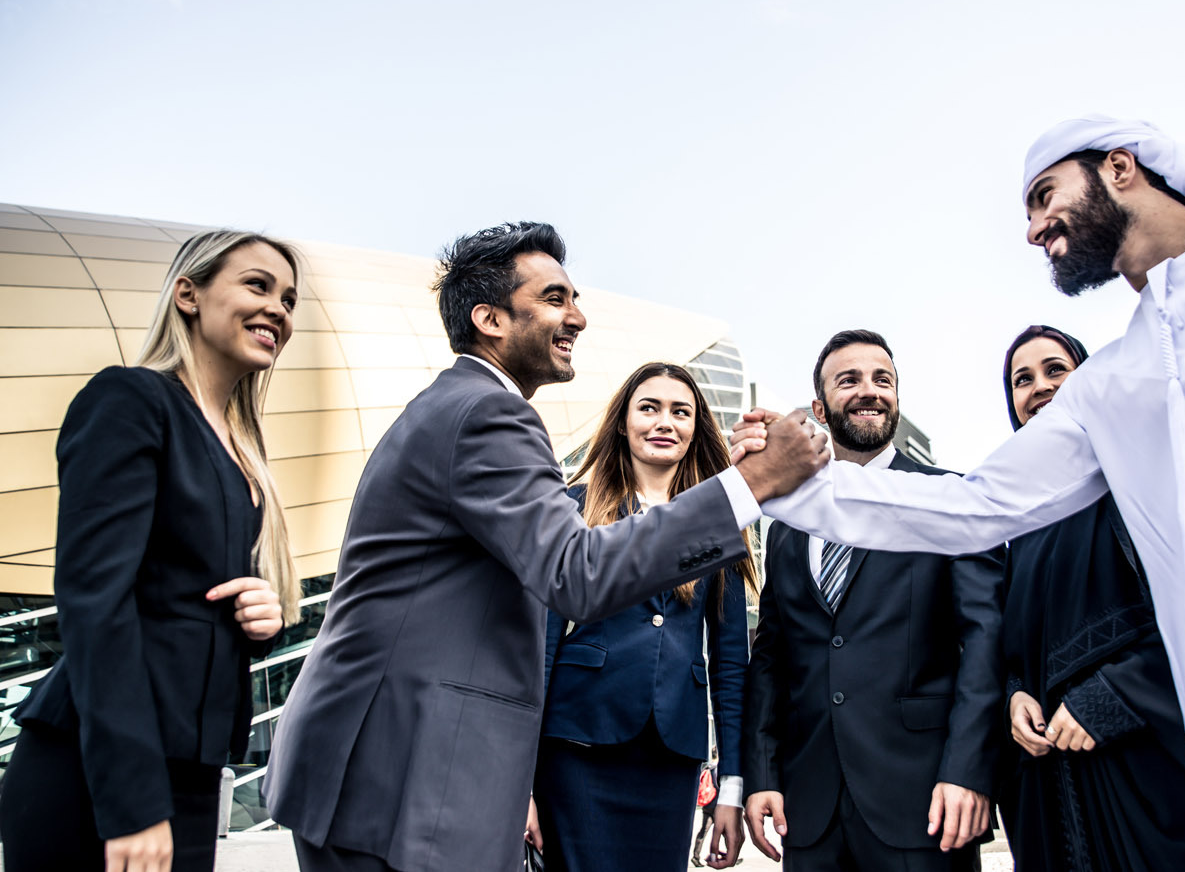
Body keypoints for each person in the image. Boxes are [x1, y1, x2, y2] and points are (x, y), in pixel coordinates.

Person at [734, 116, 1185, 870]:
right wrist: (788, 487)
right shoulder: (1112, 385)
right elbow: (977, 506)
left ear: (1120, 166)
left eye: (1045, 196)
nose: (1035, 229)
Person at [263, 222, 826, 872]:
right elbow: (576, 575)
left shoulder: (461, 408)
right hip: (405, 776)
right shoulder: (488, 416)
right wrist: (749, 483)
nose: (579, 317)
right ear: (490, 318)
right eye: (556, 298)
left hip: (407, 771)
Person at [0, 230, 301, 871]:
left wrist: (260, 622)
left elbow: (180, 600)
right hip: (99, 771)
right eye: (257, 285)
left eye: (289, 298)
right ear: (188, 294)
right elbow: (96, 604)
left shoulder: (242, 450)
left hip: (188, 772)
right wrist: (132, 802)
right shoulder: (131, 400)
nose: (279, 308)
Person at [742, 330, 1004, 872]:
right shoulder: (789, 524)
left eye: (882, 379)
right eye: (850, 380)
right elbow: (771, 658)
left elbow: (985, 639)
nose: (870, 391)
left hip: (927, 801)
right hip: (810, 812)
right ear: (819, 407)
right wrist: (762, 776)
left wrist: (969, 770)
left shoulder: (948, 496)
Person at [996, 324, 1185, 871]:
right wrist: (1016, 693)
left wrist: (1111, 696)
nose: (1039, 387)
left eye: (1055, 370)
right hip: (1054, 788)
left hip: (1143, 772)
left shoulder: (1140, 479)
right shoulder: (1020, 519)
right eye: (1022, 380)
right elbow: (1014, 640)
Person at [533, 362, 757, 871]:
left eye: (681, 412)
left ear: (696, 429)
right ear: (621, 422)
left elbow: (730, 667)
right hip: (577, 746)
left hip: (671, 755)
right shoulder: (575, 507)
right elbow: (540, 643)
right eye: (649, 408)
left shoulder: (719, 524)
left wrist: (732, 788)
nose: (665, 422)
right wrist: (521, 779)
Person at [692, 750, 721, 867]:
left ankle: (696, 856)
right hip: (717, 805)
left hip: (707, 804)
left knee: (703, 831)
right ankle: (718, 856)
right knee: (723, 831)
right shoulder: (717, 769)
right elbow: (719, 786)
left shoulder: (708, 768)